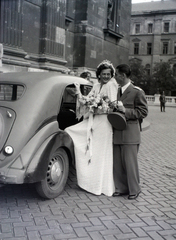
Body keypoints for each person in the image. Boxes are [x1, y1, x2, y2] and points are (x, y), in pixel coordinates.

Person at [65, 60, 118, 196]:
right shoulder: (96, 85)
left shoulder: (112, 85)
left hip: (104, 123)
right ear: (99, 75)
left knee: (100, 153)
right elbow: (86, 101)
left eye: (108, 74)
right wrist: (78, 92)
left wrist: (98, 106)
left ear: (111, 75)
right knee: (71, 131)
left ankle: (100, 186)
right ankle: (89, 182)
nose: (106, 76)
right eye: (103, 74)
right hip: (94, 120)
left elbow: (111, 106)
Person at [113, 64, 148, 200]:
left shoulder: (137, 91)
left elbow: (143, 112)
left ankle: (134, 189)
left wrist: (125, 111)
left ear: (122, 76)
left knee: (130, 163)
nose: (115, 77)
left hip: (130, 133)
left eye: (116, 74)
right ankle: (121, 188)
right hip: (117, 131)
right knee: (118, 163)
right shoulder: (117, 91)